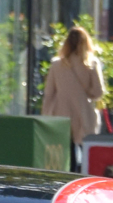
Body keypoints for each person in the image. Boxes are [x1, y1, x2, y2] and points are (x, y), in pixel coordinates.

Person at [41, 24, 106, 165]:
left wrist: (46, 115)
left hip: (61, 113)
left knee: (65, 152)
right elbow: (98, 92)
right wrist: (83, 93)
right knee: (86, 151)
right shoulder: (91, 64)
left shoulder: (57, 64)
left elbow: (49, 93)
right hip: (83, 112)